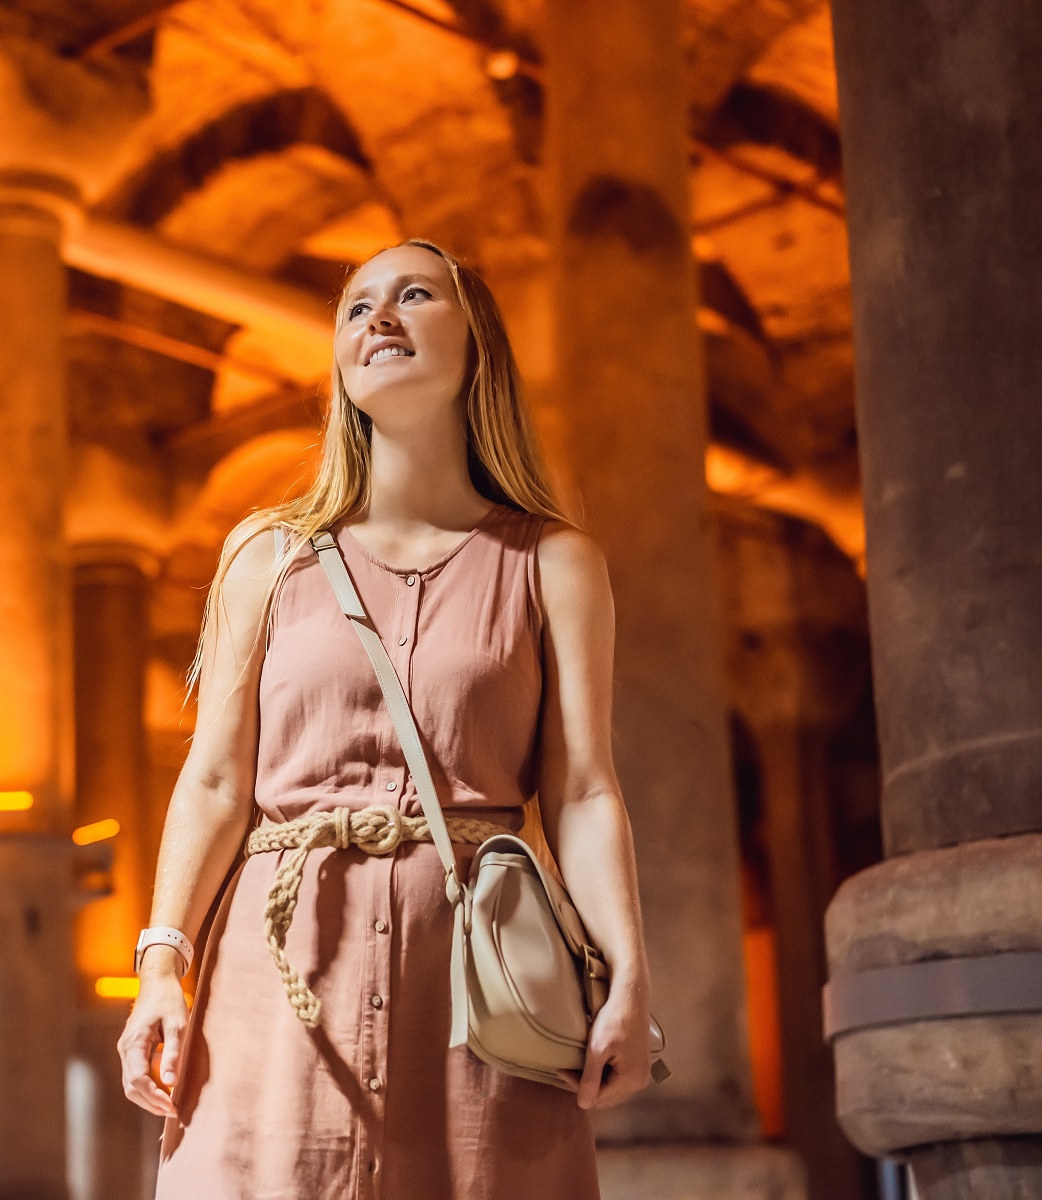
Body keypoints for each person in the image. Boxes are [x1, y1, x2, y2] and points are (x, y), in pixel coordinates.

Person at [117, 239, 654, 1199]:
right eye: (356, 307)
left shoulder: (554, 563)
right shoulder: (266, 559)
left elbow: (581, 789)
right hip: (276, 974)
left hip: (479, 978)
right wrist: (163, 961)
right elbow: (209, 782)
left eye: (415, 294)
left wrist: (627, 974)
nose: (379, 317)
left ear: (477, 342)